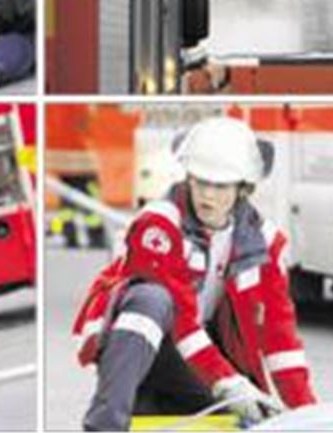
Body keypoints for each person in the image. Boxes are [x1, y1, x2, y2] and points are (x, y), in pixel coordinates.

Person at [73, 117, 316, 431]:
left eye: (220, 185)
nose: (207, 195)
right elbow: (181, 320)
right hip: (148, 350)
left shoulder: (266, 244)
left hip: (197, 362)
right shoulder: (158, 226)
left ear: (243, 188)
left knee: (256, 416)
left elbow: (280, 338)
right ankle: (104, 424)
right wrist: (228, 382)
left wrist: (307, 416)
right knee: (151, 298)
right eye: (200, 181)